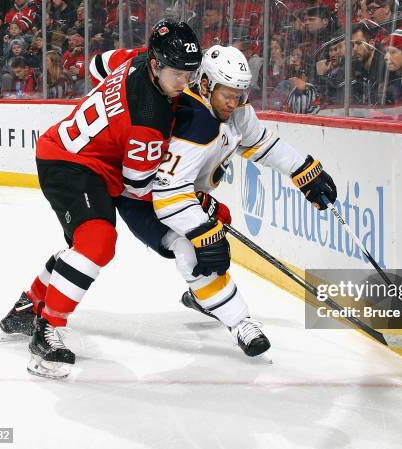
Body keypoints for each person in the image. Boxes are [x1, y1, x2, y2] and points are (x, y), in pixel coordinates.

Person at [95, 45, 337, 357]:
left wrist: (303, 170)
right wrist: (200, 230)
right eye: (229, 94)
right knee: (192, 251)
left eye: (241, 93)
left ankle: (204, 296)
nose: (235, 102)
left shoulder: (237, 110)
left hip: (181, 192)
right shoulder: (190, 121)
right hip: (142, 198)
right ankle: (241, 323)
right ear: (206, 83)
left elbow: (262, 144)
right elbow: (165, 193)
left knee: (215, 236)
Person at [0, 20, 202, 379]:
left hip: (66, 151)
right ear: (156, 64)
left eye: (191, 73)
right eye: (178, 75)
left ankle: (27, 309)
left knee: (83, 248)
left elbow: (97, 65)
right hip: (74, 164)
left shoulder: (137, 58)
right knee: (98, 243)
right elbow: (135, 188)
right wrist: (181, 194)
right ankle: (47, 329)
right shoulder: (149, 121)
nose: (186, 83)